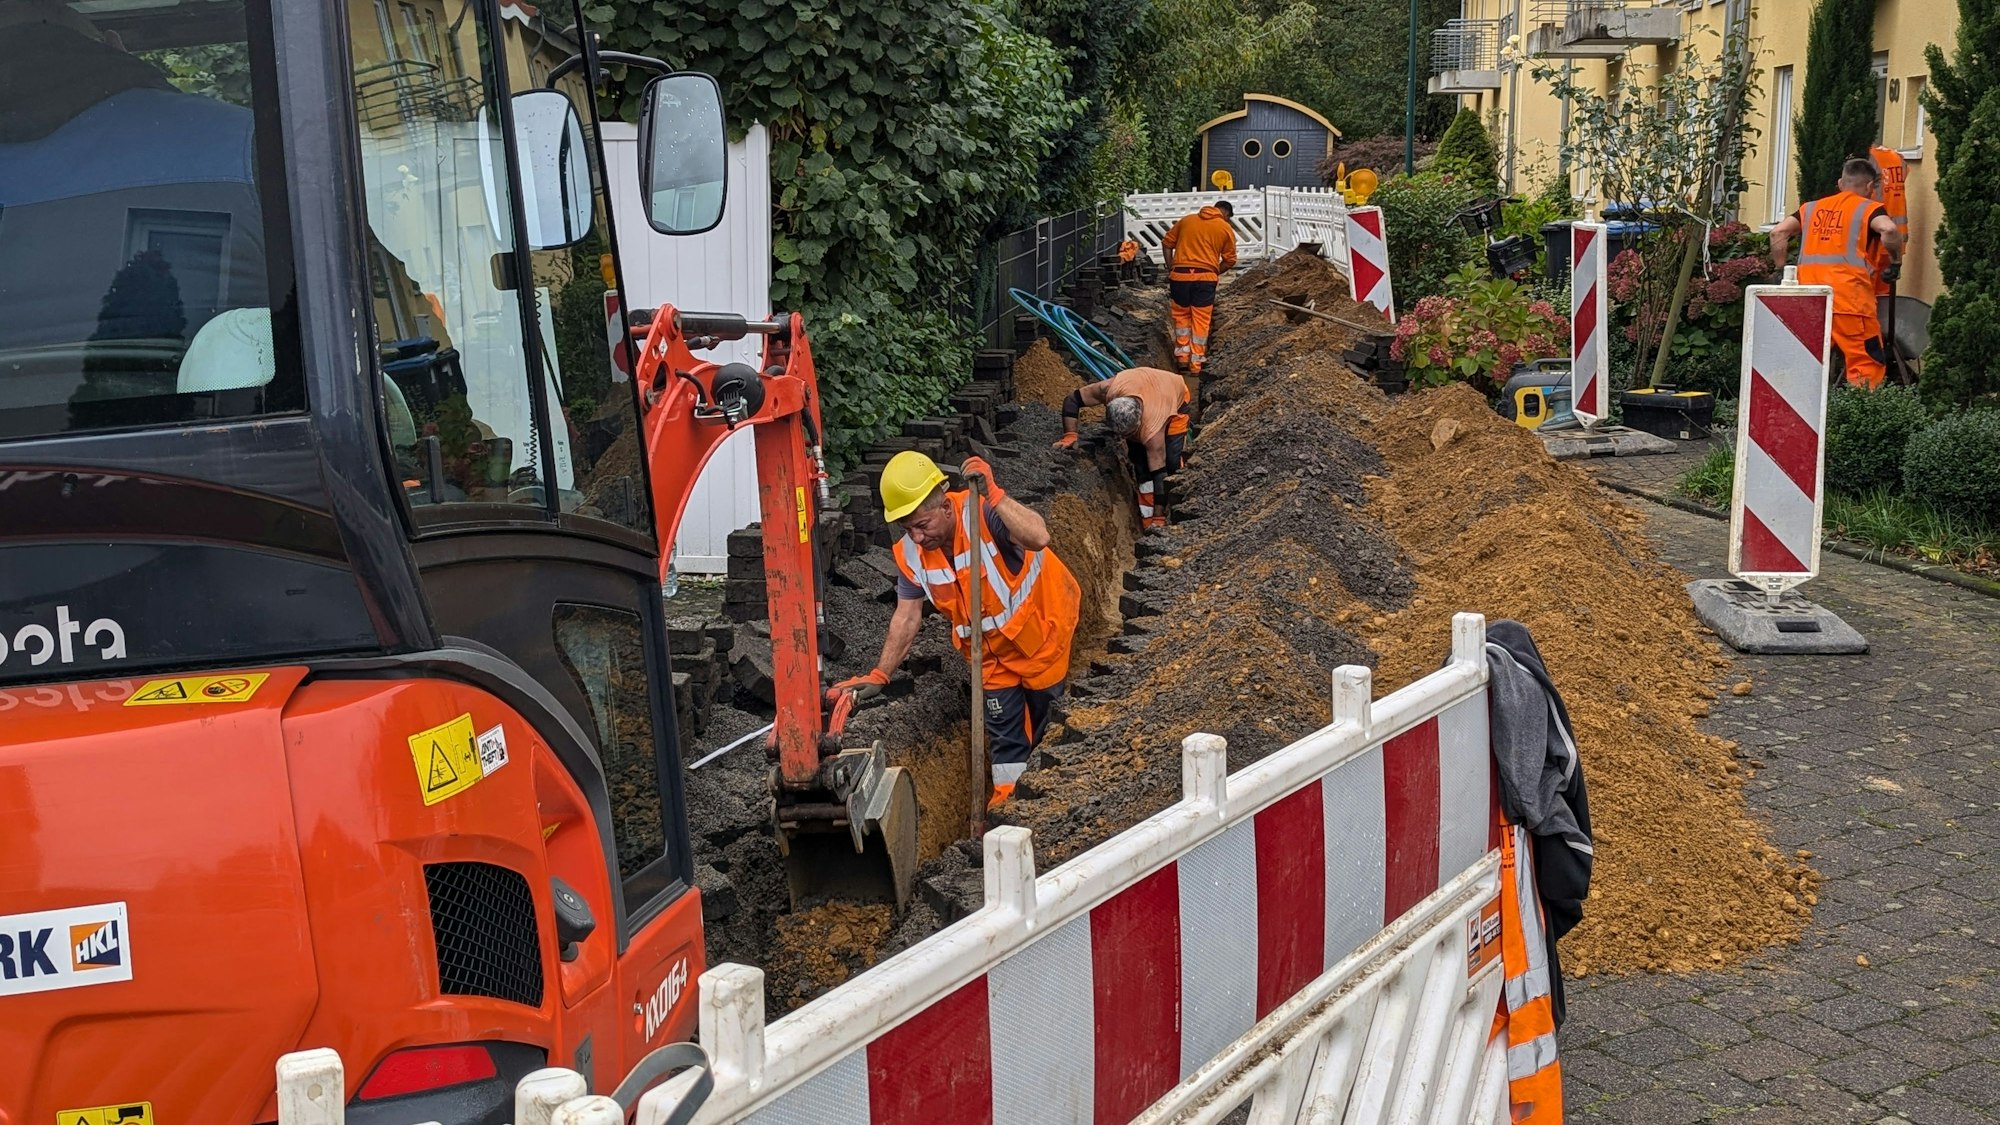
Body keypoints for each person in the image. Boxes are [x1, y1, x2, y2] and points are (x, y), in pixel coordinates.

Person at [830, 452, 1081, 808]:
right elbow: (906, 616)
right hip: (989, 659)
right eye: (907, 528)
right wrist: (881, 673)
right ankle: (1006, 811)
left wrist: (994, 493)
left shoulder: (984, 514)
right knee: (1006, 741)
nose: (916, 537)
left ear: (946, 506)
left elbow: (1039, 536)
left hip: (1043, 636)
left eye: (922, 524)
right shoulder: (911, 555)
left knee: (1046, 727)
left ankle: (1048, 802)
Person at [1769, 158, 1904, 390]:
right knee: (1864, 364)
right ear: (1871, 187)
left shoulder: (1810, 209)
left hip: (1810, 300)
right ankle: (1859, 418)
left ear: (1841, 183)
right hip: (1850, 303)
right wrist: (1896, 261)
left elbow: (1777, 233)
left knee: (1806, 361)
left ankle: (1803, 414)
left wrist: (1781, 270)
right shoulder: (1869, 208)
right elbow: (1889, 229)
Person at [1052, 366, 1191, 531]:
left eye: (1130, 434)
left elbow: (1159, 471)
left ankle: (1174, 509)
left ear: (1139, 421)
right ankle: (1147, 522)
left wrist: (1159, 517)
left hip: (1175, 392)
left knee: (1172, 463)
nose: (1125, 439)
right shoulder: (1107, 390)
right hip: (1141, 385)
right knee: (1141, 466)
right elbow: (1071, 400)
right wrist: (1070, 434)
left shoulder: (1153, 431)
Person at [1159, 199, 1236, 376]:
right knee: (1201, 320)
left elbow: (1166, 243)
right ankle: (1196, 365)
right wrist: (1214, 271)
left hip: (1180, 277)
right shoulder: (1224, 228)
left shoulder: (1186, 221)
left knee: (1181, 318)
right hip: (1205, 279)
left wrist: (1171, 267)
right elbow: (1230, 260)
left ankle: (1182, 360)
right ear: (1226, 214)